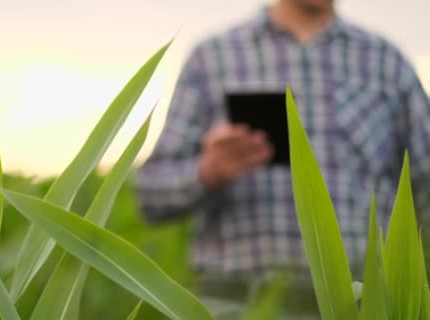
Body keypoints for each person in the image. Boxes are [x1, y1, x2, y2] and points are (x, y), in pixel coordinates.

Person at [135, 0, 430, 318]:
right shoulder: (213, 58)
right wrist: (207, 171)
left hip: (361, 308)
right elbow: (150, 194)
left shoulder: (387, 63)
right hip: (238, 308)